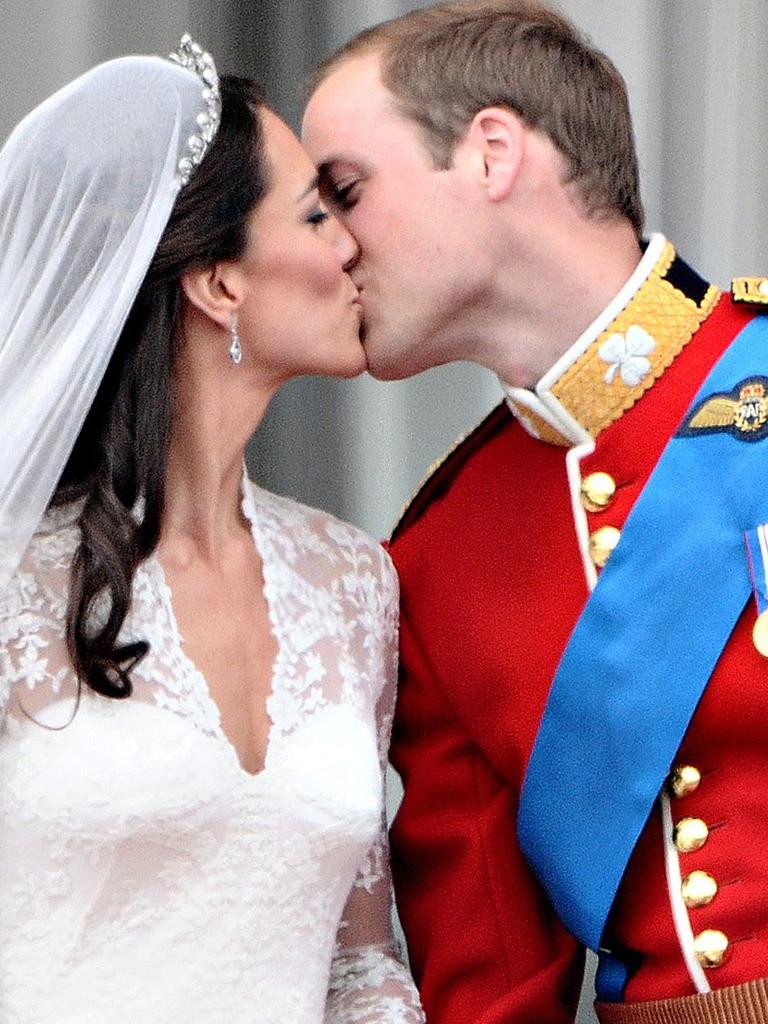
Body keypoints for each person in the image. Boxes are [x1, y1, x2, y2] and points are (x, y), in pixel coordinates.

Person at [302, 2, 768, 1022]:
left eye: (344, 191)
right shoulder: (435, 557)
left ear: (493, 152)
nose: (327, 250)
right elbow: (492, 984)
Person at [0, 37, 425, 1024]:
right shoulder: (16, 577)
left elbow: (360, 968)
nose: (353, 245)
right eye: (318, 214)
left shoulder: (353, 582)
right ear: (221, 283)